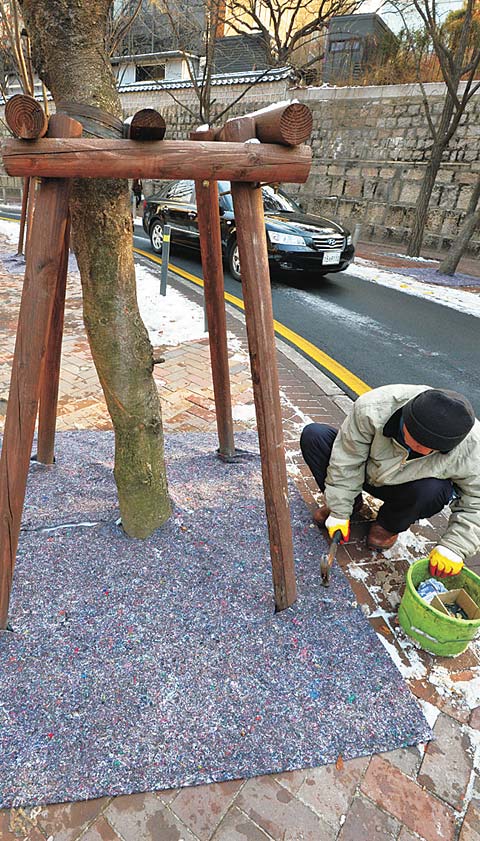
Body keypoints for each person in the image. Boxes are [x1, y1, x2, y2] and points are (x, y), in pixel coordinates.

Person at [300, 384, 480, 578]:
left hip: (410, 488)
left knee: (434, 489)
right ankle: (352, 505)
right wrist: (339, 510)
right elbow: (347, 459)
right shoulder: (373, 408)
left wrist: (454, 547)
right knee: (315, 436)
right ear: (406, 418)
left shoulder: (473, 447)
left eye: (432, 449)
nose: (422, 451)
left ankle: (388, 525)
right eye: (417, 442)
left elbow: (476, 502)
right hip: (367, 471)